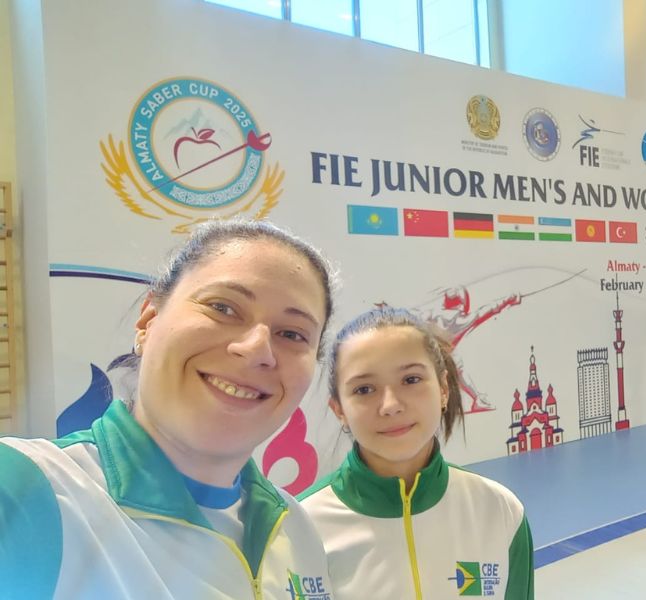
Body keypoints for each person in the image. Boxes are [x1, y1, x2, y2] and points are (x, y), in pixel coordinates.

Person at [0, 219, 336, 599]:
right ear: (147, 322)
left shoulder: (297, 530)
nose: (257, 348)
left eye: (292, 334)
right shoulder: (27, 491)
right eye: (223, 307)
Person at [299, 307, 534, 599]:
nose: (390, 405)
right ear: (339, 410)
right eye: (364, 389)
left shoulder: (499, 511)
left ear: (444, 389)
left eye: (410, 380)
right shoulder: (301, 528)